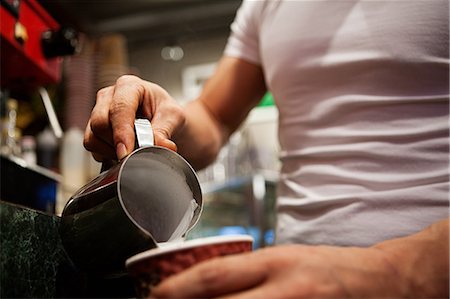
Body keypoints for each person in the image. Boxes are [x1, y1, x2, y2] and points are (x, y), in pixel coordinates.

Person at [84, 0, 449, 298]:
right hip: (298, 281)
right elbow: (215, 116)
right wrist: (164, 115)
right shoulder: (266, 5)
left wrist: (396, 273)